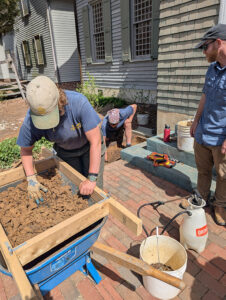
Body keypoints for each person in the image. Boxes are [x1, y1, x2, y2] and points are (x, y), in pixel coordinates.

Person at [17, 76, 105, 205]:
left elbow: (95, 141)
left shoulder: (78, 103)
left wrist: (91, 178)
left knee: (94, 189)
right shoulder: (30, 120)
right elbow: (26, 150)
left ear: (59, 101)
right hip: (66, 151)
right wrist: (31, 178)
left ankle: (96, 215)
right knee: (74, 187)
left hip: (89, 147)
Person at [181, 24, 226, 226]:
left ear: (219, 43)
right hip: (203, 132)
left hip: (221, 137)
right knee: (203, 170)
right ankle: (202, 197)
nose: (203, 52)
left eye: (205, 47)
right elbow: (205, 96)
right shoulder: (212, 69)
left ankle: (220, 205)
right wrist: (196, 120)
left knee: (224, 175)